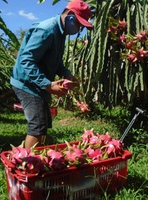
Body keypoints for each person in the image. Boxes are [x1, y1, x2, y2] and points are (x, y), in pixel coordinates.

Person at [10, 0, 93, 149]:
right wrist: (47, 85)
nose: (79, 29)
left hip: (37, 82)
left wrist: (67, 74)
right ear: (69, 16)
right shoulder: (47, 30)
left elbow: (55, 62)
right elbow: (26, 61)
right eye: (79, 24)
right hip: (27, 83)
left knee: (44, 124)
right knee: (37, 126)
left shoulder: (60, 33)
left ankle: (38, 160)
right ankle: (27, 165)